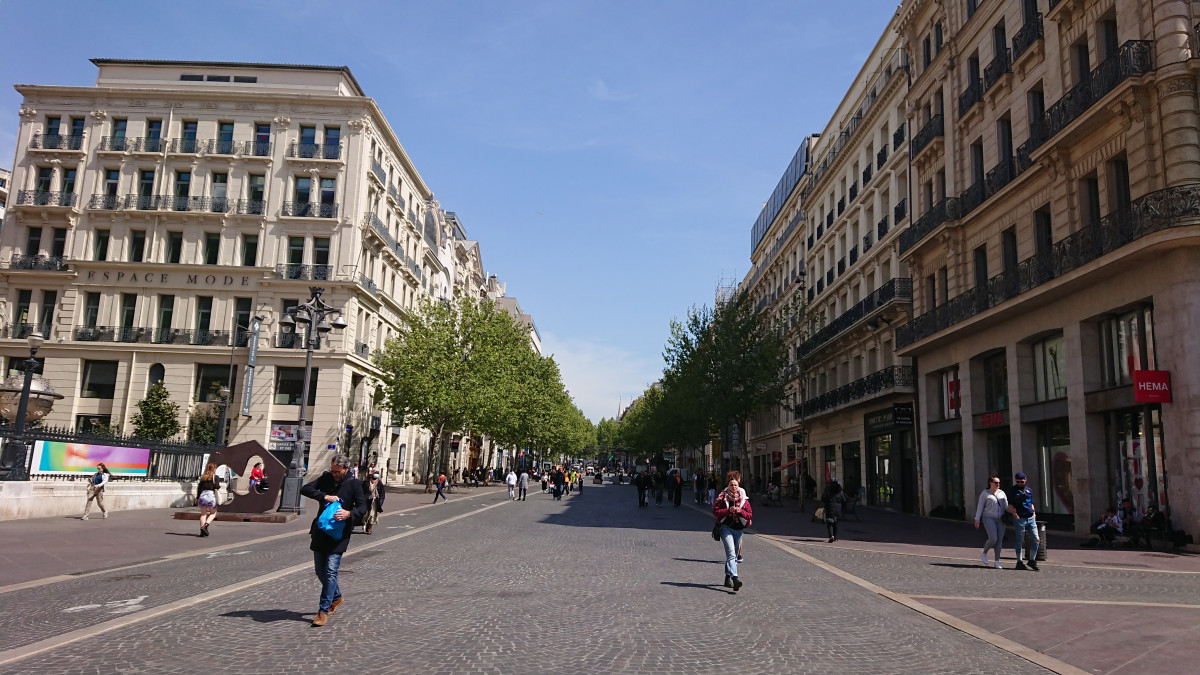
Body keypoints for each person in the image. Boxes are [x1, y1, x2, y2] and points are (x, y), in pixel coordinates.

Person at [301, 454, 366, 627]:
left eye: (338, 471)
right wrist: (324, 496)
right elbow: (305, 489)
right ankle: (336, 597)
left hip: (339, 534)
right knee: (319, 571)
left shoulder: (354, 484)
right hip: (321, 531)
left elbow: (362, 507)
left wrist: (348, 513)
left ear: (346, 469)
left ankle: (323, 611)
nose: (335, 474)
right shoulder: (326, 478)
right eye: (333, 470)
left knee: (330, 571)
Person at [713, 472, 753, 592]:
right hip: (726, 528)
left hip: (739, 530)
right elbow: (716, 512)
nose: (734, 487)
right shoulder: (722, 497)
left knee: (734, 556)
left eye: (735, 485)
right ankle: (735, 578)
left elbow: (750, 515)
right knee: (731, 554)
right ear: (728, 485)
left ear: (738, 485)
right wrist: (728, 511)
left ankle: (727, 578)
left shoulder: (743, 499)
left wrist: (740, 512)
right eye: (731, 485)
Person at [974, 475, 1009, 568]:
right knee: (993, 538)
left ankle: (997, 561)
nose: (998, 484)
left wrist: (1014, 511)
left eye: (999, 483)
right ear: (990, 483)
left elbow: (1006, 506)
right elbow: (980, 507)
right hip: (988, 517)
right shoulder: (985, 494)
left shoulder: (1002, 493)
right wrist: (977, 519)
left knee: (999, 540)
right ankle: (984, 552)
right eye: (996, 482)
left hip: (1001, 519)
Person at [1008, 472, 1040, 571]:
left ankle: (1032, 560)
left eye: (1022, 481)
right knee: (1020, 540)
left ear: (1025, 480)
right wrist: (1015, 515)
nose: (1020, 483)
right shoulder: (1012, 490)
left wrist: (1034, 513)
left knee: (1036, 539)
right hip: (1020, 518)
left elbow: (1031, 503)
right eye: (1018, 482)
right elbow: (1010, 505)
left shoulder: (1028, 490)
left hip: (1030, 518)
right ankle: (1019, 561)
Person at [196, 463, 221, 536]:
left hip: (202, 496)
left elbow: (199, 488)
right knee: (213, 513)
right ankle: (205, 526)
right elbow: (216, 486)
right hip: (210, 496)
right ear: (214, 469)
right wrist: (219, 486)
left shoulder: (203, 477)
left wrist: (197, 498)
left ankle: (202, 531)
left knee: (203, 514)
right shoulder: (215, 477)